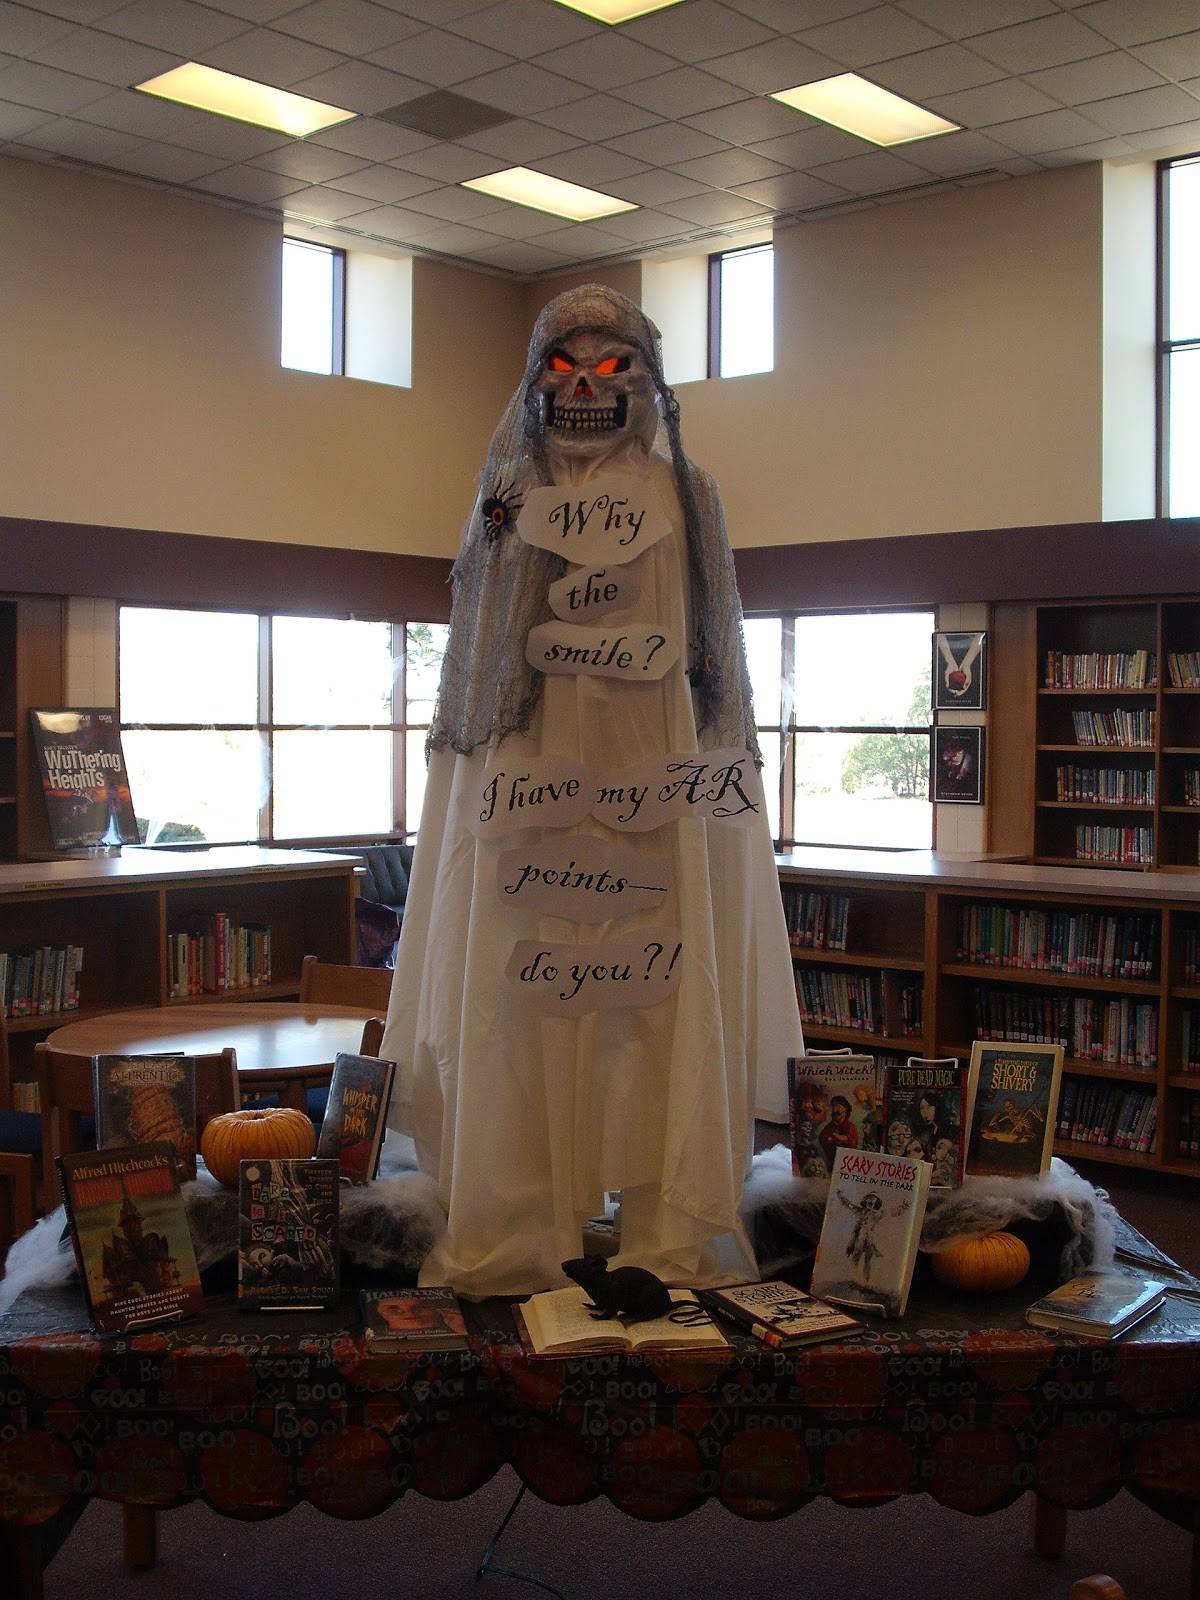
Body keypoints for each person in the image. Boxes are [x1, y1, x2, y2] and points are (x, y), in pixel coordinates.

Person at [380, 285, 803, 1298]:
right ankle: (516, 1224)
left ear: (646, 377)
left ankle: (662, 1229)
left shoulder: (687, 496)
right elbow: (480, 676)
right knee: (513, 1010)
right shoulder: (506, 502)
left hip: (654, 808)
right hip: (524, 802)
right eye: (565, 364)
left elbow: (713, 660)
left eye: (612, 364)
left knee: (656, 1012)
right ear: (535, 380)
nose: (585, 383)